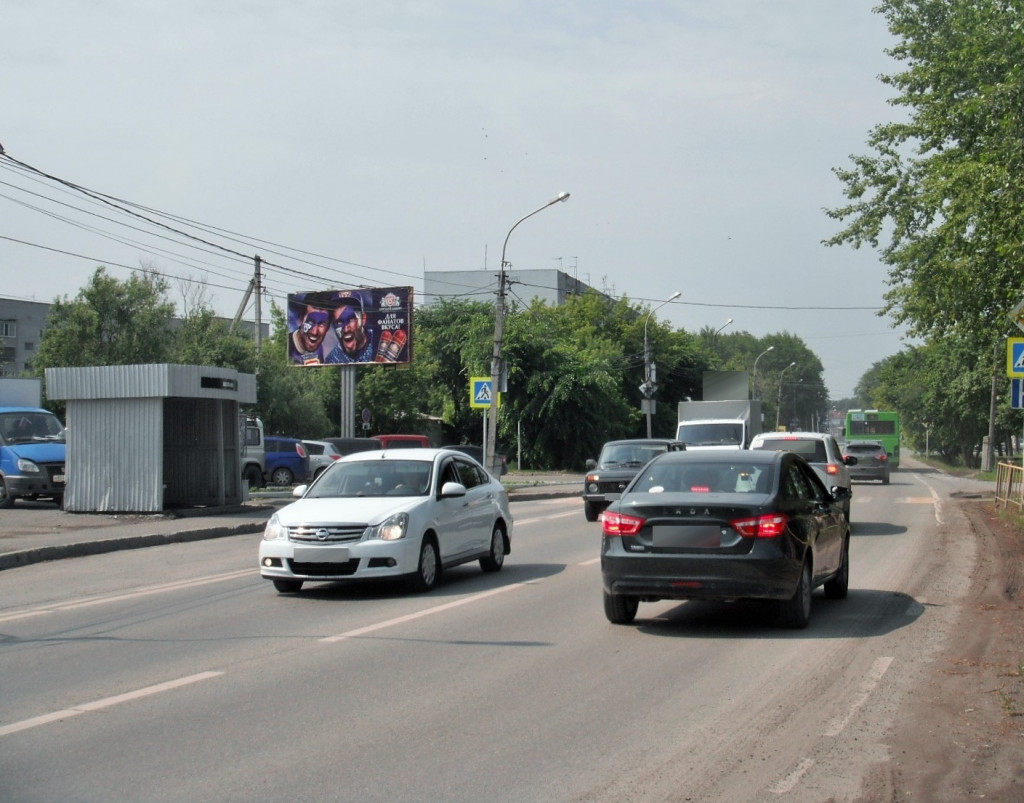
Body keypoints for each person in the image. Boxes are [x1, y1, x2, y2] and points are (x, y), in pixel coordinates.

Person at [326, 292, 375, 363]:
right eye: (339, 322)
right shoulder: (332, 359)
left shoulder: (379, 344)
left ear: (363, 319)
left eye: (351, 319)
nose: (346, 330)